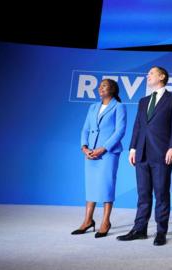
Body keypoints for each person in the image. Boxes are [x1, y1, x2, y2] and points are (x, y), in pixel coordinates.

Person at [117, 67, 172, 246]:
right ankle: (139, 229)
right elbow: (138, 126)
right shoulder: (143, 101)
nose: (148, 75)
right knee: (143, 194)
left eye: (152, 73)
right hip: (142, 153)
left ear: (162, 77)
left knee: (161, 194)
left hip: (162, 154)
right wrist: (132, 148)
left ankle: (161, 232)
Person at [72, 79, 127, 238]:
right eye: (100, 86)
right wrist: (84, 148)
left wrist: (103, 148)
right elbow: (85, 129)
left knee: (106, 186)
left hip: (108, 153)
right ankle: (87, 221)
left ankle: (105, 222)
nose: (100, 88)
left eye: (104, 85)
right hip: (90, 153)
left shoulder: (119, 107)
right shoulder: (93, 107)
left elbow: (120, 131)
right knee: (91, 186)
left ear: (113, 89)